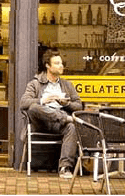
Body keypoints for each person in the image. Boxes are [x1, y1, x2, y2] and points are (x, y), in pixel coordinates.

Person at [21, 49, 83, 179]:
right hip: (41, 122)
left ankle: (65, 167)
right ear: (48, 66)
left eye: (61, 63)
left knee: (71, 127)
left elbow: (79, 105)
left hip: (58, 123)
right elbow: (23, 103)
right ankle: (65, 118)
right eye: (57, 63)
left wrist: (66, 104)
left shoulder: (67, 85)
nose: (61, 66)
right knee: (34, 107)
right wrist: (43, 100)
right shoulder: (35, 83)